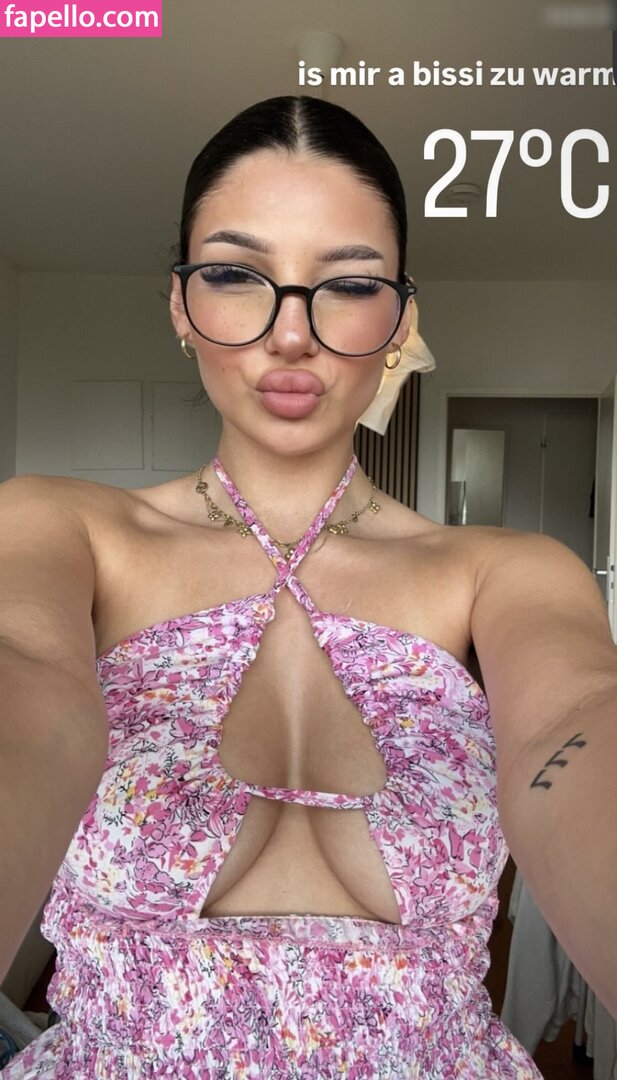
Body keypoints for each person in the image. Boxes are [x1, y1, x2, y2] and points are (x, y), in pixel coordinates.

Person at [0, 94, 615, 1079]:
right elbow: (24, 678)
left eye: (348, 284)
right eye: (235, 274)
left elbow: (575, 719)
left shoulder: (506, 572)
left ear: (399, 319)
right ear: (179, 304)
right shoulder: (57, 528)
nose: (291, 334)